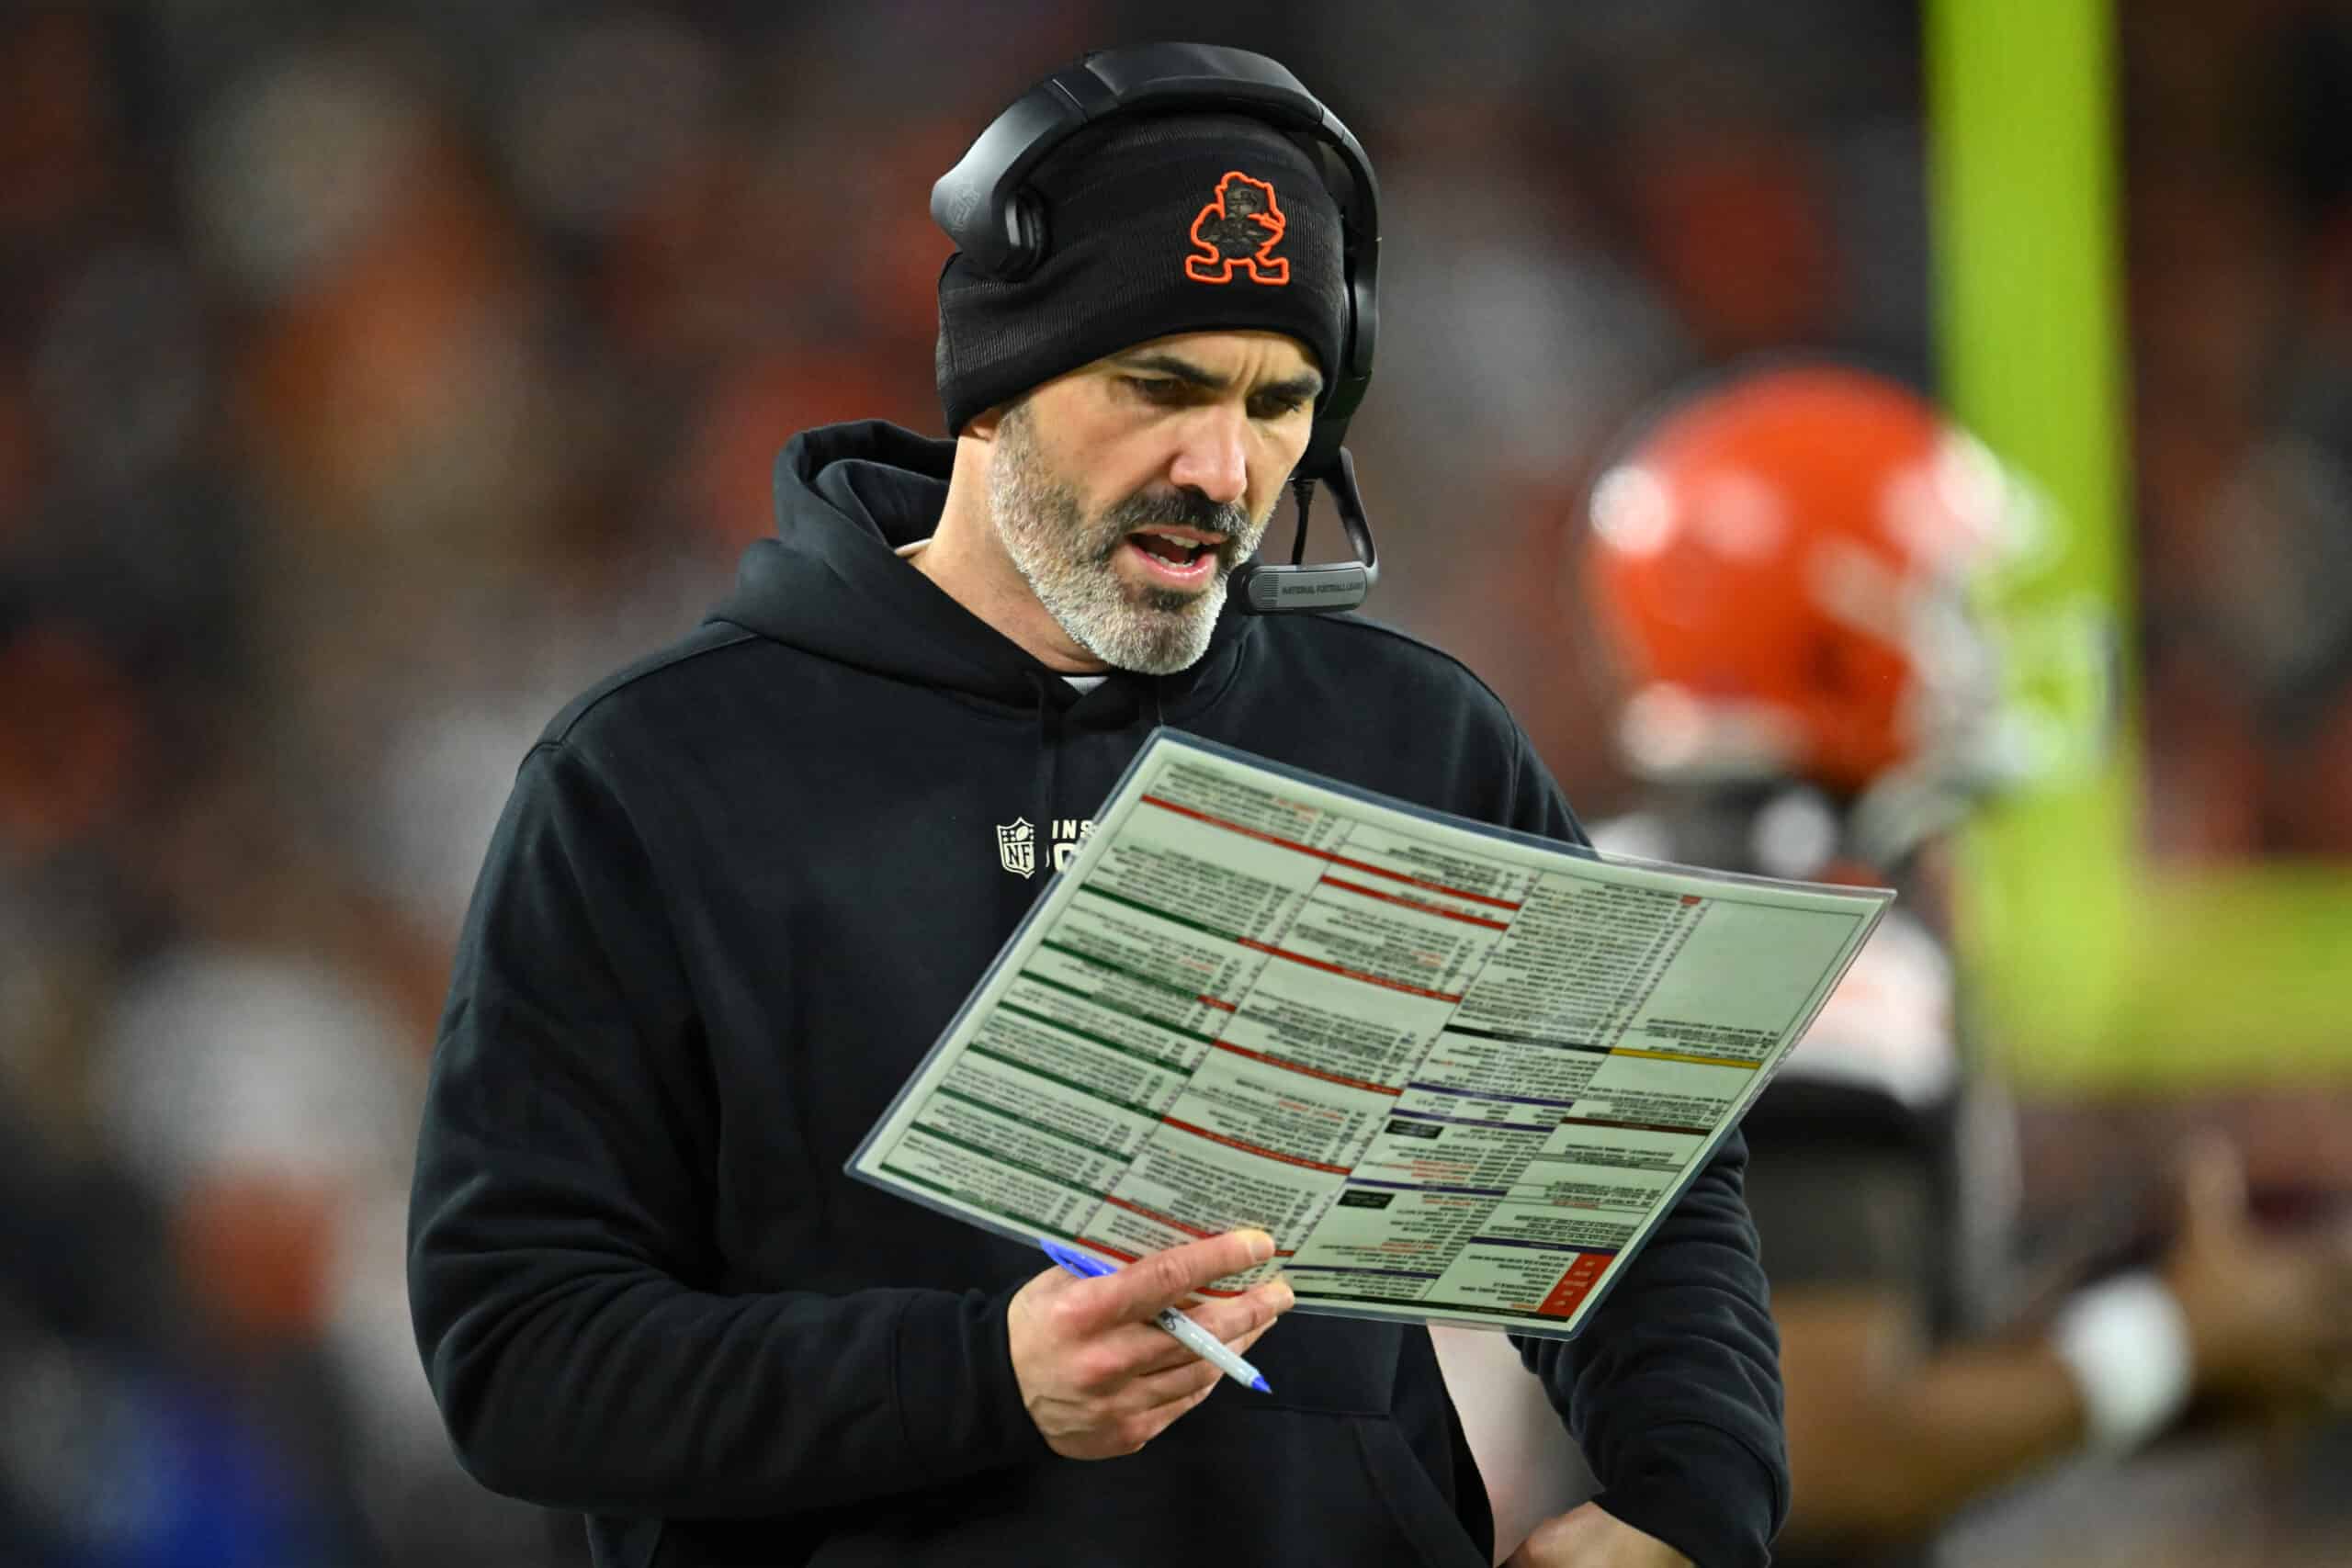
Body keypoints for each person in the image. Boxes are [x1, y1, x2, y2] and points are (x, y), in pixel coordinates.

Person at [406, 44, 1787, 1568]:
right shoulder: (650, 779)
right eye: (1162, 385)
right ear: (997, 379)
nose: (1223, 467)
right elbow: (519, 1358)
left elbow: (1631, 1195)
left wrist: (1686, 1507)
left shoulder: (1405, 738)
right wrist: (981, 1379)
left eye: (1282, 403)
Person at [1574, 362, 2352, 1567]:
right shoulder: (1809, 947)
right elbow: (1815, 1457)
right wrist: (2163, 1346)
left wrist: (2138, 1346)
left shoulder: (1641, 871)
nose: (1981, 641)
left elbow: (1820, 1368)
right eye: (1943, 600)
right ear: (1829, 636)